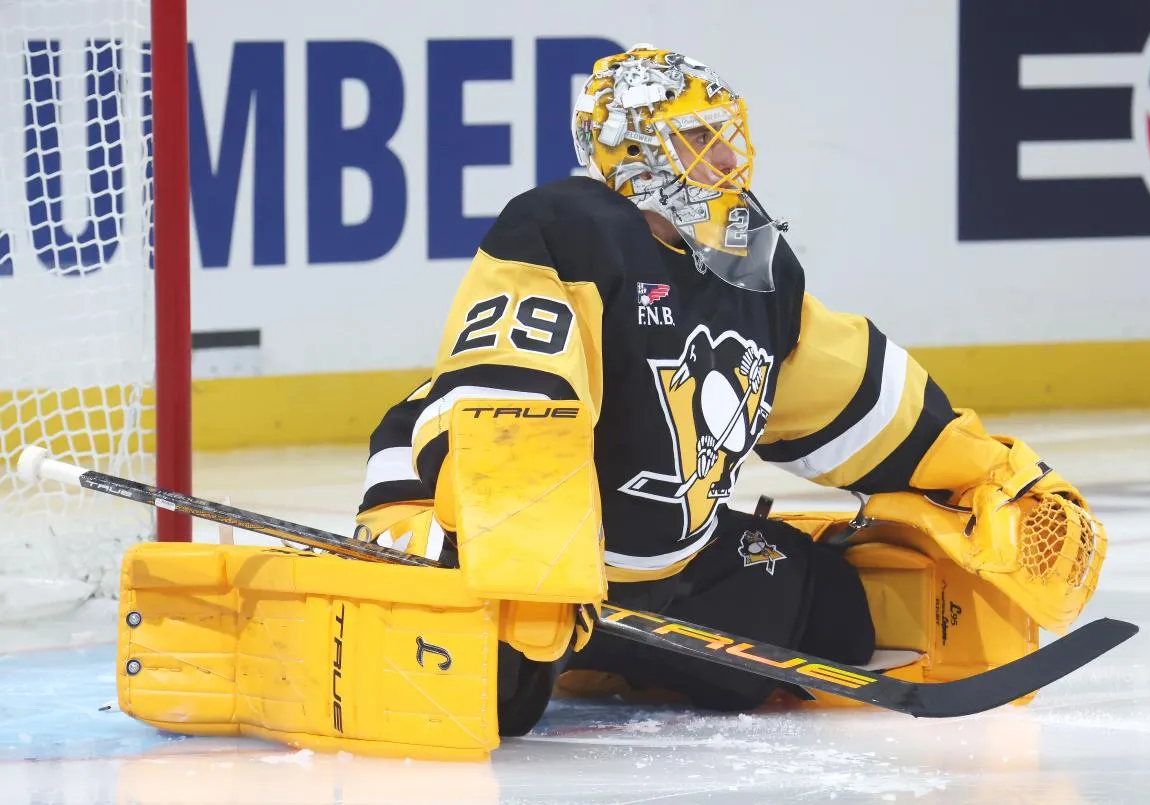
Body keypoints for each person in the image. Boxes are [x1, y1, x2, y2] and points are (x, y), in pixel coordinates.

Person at [355, 45, 1105, 735]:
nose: (724, 156)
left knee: (842, 620)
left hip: (668, 568)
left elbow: (853, 397)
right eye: (697, 139)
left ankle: (611, 648)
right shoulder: (567, 233)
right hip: (490, 519)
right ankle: (410, 552)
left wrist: (987, 471)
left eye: (724, 134)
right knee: (498, 697)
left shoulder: (752, 264)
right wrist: (517, 553)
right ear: (636, 151)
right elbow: (511, 401)